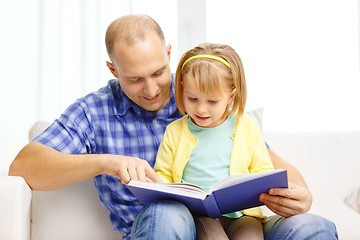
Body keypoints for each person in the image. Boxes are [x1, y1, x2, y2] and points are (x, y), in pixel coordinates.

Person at [8, 14, 337, 240]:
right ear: (113, 69)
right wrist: (104, 162)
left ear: (169, 54)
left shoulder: (197, 94)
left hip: (240, 224)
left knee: (314, 226)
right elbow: (24, 167)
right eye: (134, 79)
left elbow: (267, 160)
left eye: (158, 73)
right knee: (168, 212)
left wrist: (300, 195)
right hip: (161, 227)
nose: (151, 90)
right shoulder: (93, 112)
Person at [154, 42, 275, 240]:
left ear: (231, 96)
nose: (201, 109)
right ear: (182, 89)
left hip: (243, 214)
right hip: (200, 214)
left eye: (212, 102)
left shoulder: (246, 126)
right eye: (192, 99)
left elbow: (263, 171)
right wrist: (158, 184)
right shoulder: (175, 131)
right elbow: (163, 173)